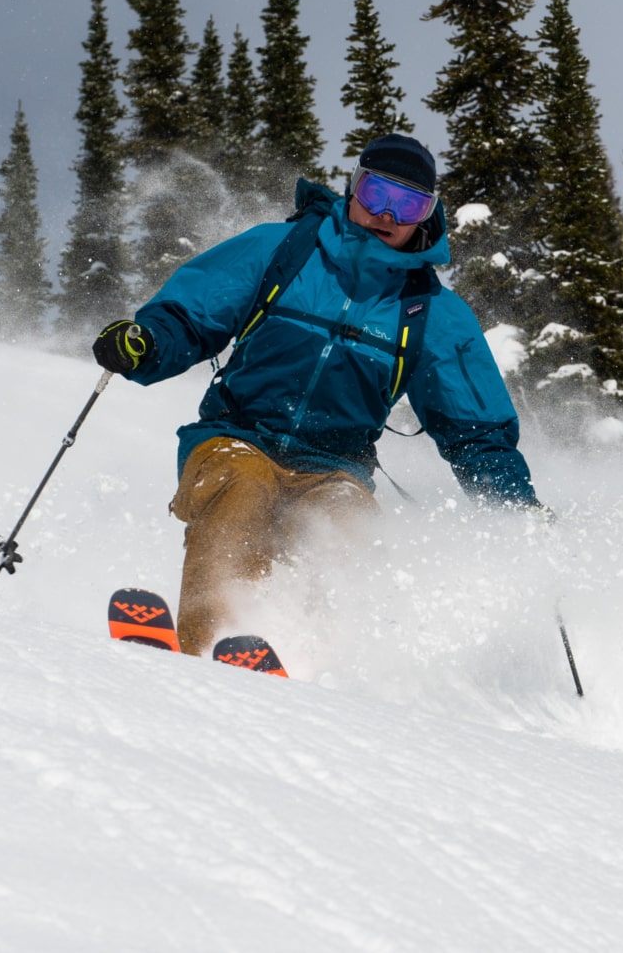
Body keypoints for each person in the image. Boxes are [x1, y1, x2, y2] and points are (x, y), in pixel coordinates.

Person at [94, 133, 544, 656]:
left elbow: (477, 430)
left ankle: (305, 664)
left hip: (335, 466)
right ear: (354, 187)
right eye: (378, 193)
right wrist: (146, 344)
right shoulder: (281, 250)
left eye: (409, 205)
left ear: (427, 216)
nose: (387, 215)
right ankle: (209, 644)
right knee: (240, 489)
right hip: (236, 435)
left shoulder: (431, 313)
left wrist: (513, 503)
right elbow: (192, 314)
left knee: (344, 532)